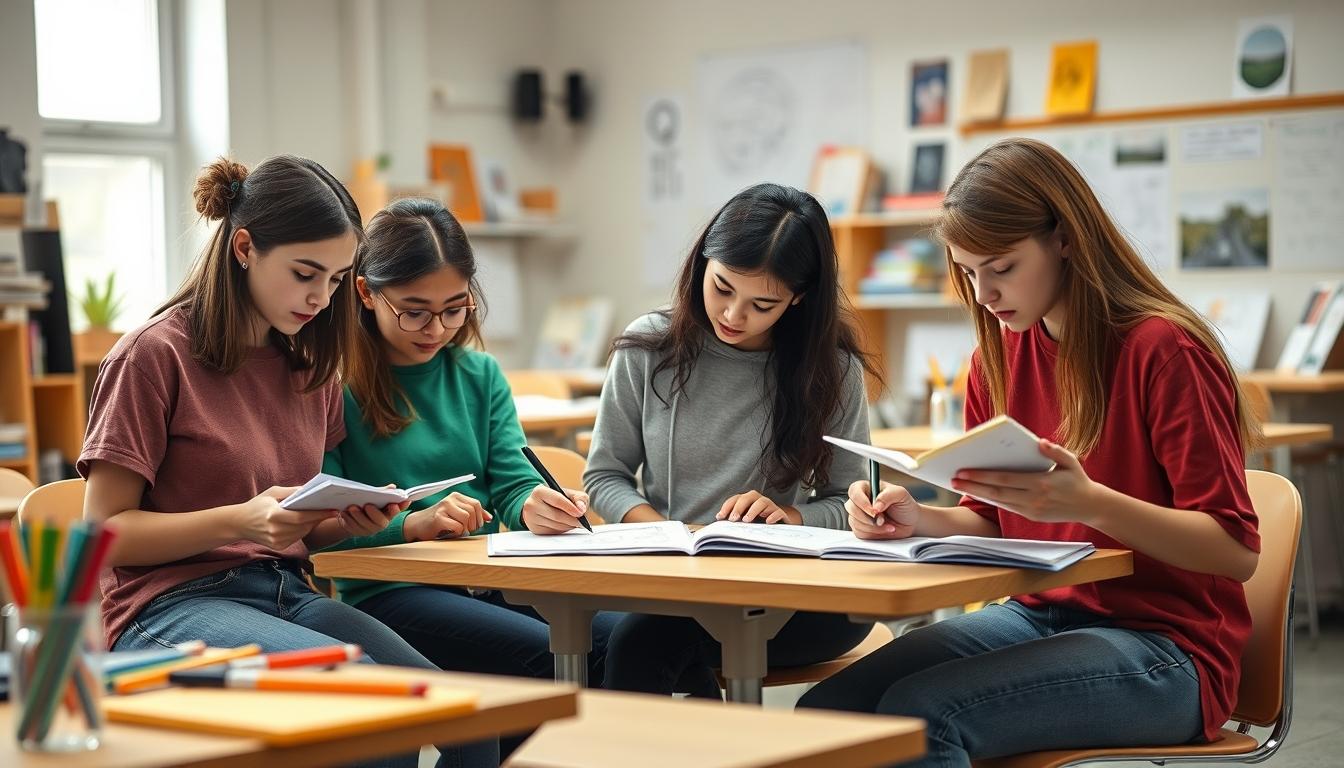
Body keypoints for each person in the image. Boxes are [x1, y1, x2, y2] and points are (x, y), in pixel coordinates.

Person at [798, 138, 1261, 767]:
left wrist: (1090, 503)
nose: (984, 292)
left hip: (1167, 648)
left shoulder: (1162, 349)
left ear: (1065, 239)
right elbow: (992, 517)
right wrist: (921, 518)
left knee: (925, 717)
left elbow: (1234, 552)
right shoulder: (996, 359)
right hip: (1039, 613)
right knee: (829, 714)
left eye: (1002, 266)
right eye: (967, 270)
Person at [80, 157, 497, 768]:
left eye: (335, 280)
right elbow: (103, 534)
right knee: (376, 733)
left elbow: (296, 527)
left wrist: (350, 518)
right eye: (306, 274)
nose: (321, 298)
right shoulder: (152, 357)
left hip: (283, 592)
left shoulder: (309, 364)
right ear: (244, 248)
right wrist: (241, 521)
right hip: (166, 608)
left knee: (469, 722)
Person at [580, 182, 881, 696]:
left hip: (794, 595)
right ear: (703, 263)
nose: (733, 315)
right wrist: (662, 537)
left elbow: (854, 504)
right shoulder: (648, 349)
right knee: (641, 637)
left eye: (763, 303)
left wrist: (789, 518)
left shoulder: (830, 369)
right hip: (668, 585)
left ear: (798, 298)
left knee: (642, 641)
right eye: (722, 287)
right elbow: (603, 476)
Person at [321, 197, 620, 694]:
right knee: (549, 658)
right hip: (388, 592)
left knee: (641, 636)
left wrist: (534, 505)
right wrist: (410, 524)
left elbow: (512, 480)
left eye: (454, 309)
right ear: (366, 294)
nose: (436, 329)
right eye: (414, 312)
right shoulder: (333, 386)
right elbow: (317, 526)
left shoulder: (479, 374)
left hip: (486, 578)